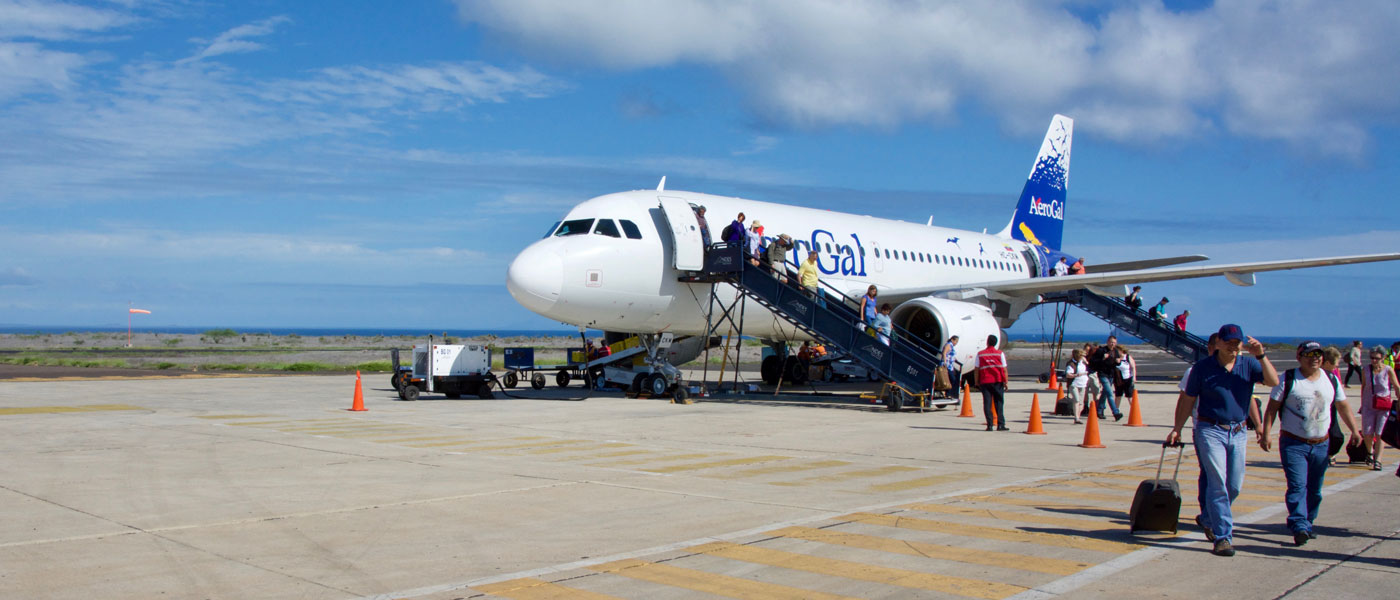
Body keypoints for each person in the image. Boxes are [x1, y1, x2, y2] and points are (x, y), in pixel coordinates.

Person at [1165, 323, 1279, 557]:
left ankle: (1208, 517)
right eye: (1228, 342)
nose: (1233, 347)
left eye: (1237, 343)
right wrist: (1177, 428)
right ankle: (1223, 537)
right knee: (1217, 482)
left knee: (1233, 485)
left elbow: (1272, 382)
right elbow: (1188, 398)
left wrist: (1262, 356)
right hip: (1209, 429)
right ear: (1217, 343)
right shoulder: (1202, 368)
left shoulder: (1248, 365)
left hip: (1237, 431)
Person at [1259, 341, 1362, 546]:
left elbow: (1343, 407)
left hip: (1321, 444)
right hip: (1293, 443)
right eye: (1309, 354)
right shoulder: (1288, 379)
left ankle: (1308, 521)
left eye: (1318, 354)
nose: (1314, 358)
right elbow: (1272, 408)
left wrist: (1355, 431)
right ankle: (1299, 525)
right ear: (1299, 357)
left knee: (1315, 489)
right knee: (1297, 485)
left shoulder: (1330, 380)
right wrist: (1266, 433)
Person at [1359, 346, 1399, 471]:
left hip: (1383, 406)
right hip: (1368, 405)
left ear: (1383, 357)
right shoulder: (1365, 370)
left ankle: (1378, 460)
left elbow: (1397, 387)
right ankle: (1370, 452)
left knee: (1380, 433)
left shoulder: (1388, 370)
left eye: (1376, 358)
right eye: (1372, 358)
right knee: (1368, 432)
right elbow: (1364, 387)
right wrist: (1362, 404)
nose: (1374, 360)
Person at [976, 334, 1009, 431]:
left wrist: (977, 381)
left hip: (985, 381)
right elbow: (1004, 369)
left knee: (987, 403)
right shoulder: (1000, 353)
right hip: (997, 381)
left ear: (987, 342)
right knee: (999, 402)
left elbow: (976, 369)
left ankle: (989, 425)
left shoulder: (980, 354)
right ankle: (1000, 424)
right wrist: (1005, 382)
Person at [1088, 336, 1124, 421]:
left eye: (1114, 343)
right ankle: (1116, 413)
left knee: (1105, 394)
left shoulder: (1115, 351)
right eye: (1111, 342)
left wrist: (1118, 362)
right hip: (1102, 374)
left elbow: (1117, 363)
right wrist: (1102, 358)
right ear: (1108, 342)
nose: (1112, 344)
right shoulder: (1101, 351)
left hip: (1111, 375)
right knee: (1110, 393)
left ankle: (1099, 411)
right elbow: (1092, 362)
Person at [1064, 348, 1089, 425]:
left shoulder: (1082, 362)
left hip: (1083, 383)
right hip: (1074, 383)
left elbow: (1088, 364)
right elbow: (1068, 375)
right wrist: (1077, 375)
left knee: (1081, 402)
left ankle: (1078, 415)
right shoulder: (1071, 364)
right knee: (1076, 400)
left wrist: (1085, 361)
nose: (1082, 357)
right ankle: (1076, 417)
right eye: (1081, 355)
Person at [1114, 346, 1137, 413]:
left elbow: (1133, 367)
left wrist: (1134, 377)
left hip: (1128, 378)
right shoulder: (1115, 358)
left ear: (1121, 350)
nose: (1116, 352)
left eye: (1117, 350)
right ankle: (1116, 410)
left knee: (1129, 395)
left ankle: (1134, 410)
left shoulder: (1127, 357)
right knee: (1118, 395)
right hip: (1118, 379)